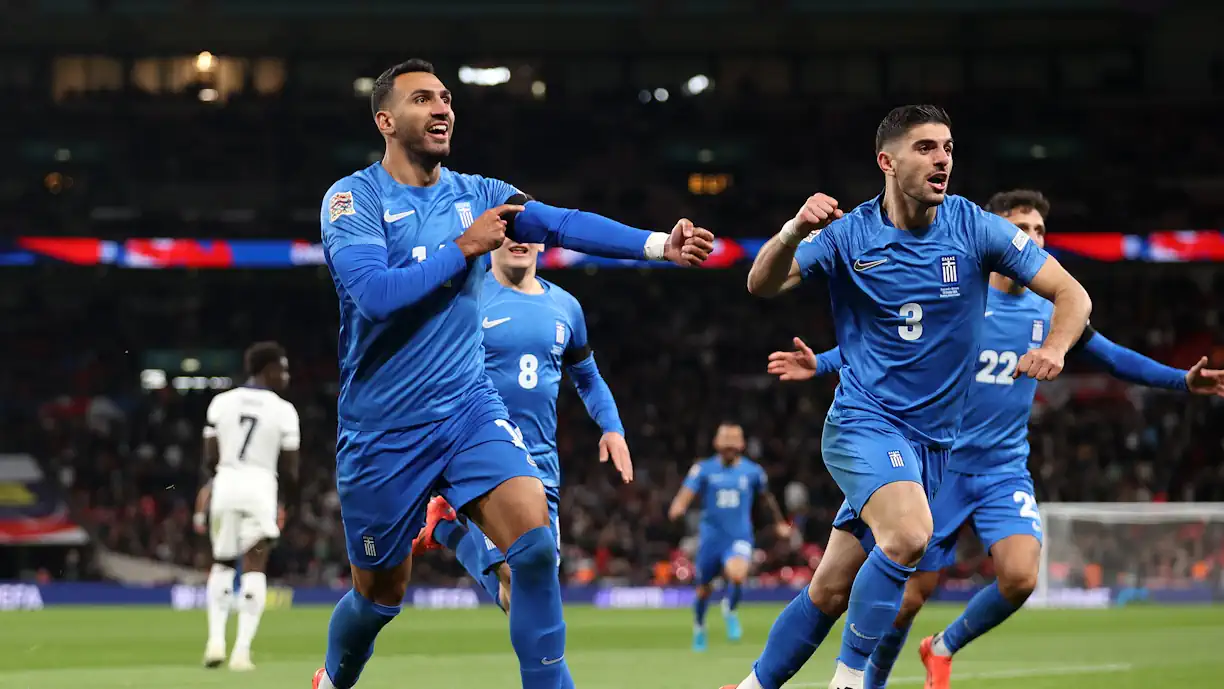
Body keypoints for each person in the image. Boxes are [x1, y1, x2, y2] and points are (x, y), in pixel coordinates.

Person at [316, 58, 714, 689]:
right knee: (378, 596)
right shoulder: (352, 198)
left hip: (467, 408)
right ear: (386, 120)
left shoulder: (478, 193)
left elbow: (561, 223)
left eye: (446, 98)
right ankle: (333, 678)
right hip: (383, 427)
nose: (443, 108)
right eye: (424, 99)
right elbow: (374, 297)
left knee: (535, 546)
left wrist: (659, 244)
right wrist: (465, 247)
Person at [766, 188, 1224, 689]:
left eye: (1040, 232)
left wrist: (1180, 380)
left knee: (1022, 575)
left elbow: (1114, 358)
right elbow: (886, 342)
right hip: (939, 463)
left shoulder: (1049, 311)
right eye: (1022, 229)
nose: (1032, 239)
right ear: (999, 234)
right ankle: (870, 679)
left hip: (1003, 467)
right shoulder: (962, 295)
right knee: (909, 597)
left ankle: (942, 646)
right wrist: (822, 364)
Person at [722, 104, 1093, 689]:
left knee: (830, 588)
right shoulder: (848, 235)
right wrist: (794, 229)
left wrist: (1055, 346)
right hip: (864, 423)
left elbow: (1072, 294)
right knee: (910, 536)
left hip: (933, 446)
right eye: (925, 148)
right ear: (886, 162)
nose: (942, 158)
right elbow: (761, 282)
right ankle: (848, 682)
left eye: (947, 147)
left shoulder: (975, 228)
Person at [412, 236, 633, 613]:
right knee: (520, 584)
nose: (520, 240)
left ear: (543, 243)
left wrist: (612, 428)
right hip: (482, 456)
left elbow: (588, 377)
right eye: (510, 231)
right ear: (493, 240)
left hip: (541, 460)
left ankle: (445, 530)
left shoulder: (566, 307)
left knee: (528, 600)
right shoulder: (467, 297)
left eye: (529, 231)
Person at [199, 342, 300, 671]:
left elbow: (210, 457)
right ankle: (241, 651)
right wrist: (289, 501)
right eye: (282, 369)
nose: (285, 375)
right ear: (266, 369)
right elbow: (290, 468)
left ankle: (215, 641)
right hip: (260, 486)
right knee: (255, 565)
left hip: (226, 483)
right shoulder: (283, 410)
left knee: (222, 563)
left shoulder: (220, 403)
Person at [668, 423, 790, 651]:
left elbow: (767, 499)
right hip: (711, 539)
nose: (729, 449)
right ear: (717, 444)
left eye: (733, 444)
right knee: (704, 589)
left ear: (741, 446)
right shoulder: (703, 469)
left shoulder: (752, 472)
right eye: (726, 444)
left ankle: (730, 608)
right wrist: (679, 506)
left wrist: (779, 523)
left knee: (737, 574)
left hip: (739, 536)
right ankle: (699, 626)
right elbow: (687, 492)